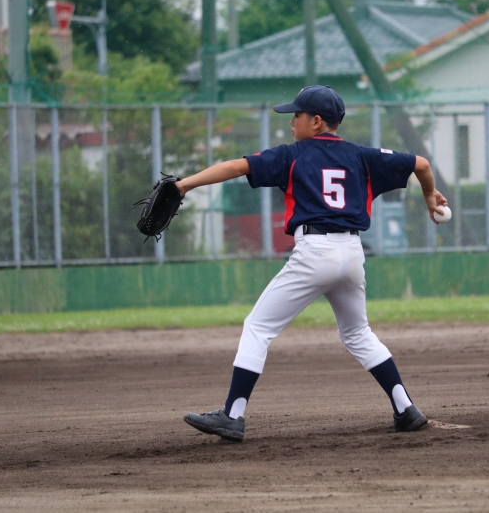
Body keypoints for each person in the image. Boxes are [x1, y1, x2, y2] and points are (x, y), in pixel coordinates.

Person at [177, 85, 448, 442]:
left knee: (258, 327)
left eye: (297, 115)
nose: (292, 123)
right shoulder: (363, 156)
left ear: (316, 121)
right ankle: (406, 408)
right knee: (357, 333)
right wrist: (429, 195)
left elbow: (234, 166)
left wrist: (183, 186)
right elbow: (422, 164)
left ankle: (233, 414)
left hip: (314, 252)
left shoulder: (292, 155)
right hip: (352, 254)